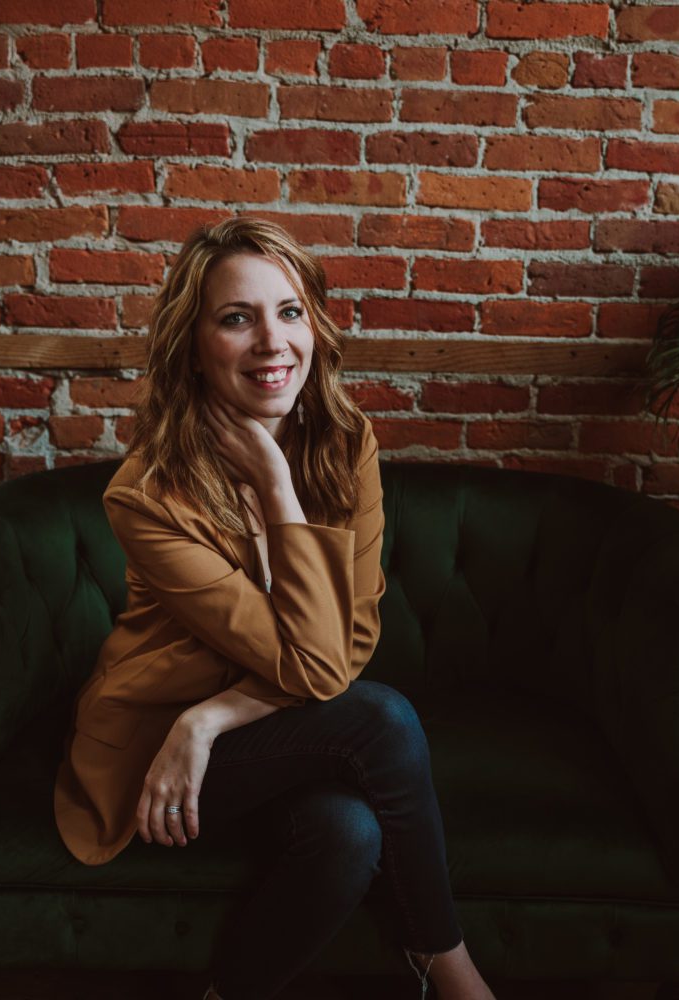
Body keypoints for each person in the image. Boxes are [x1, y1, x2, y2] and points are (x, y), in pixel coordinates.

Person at [53, 216, 496, 1000]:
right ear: (193, 346)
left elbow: (345, 646)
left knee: (347, 831)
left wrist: (212, 719)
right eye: (236, 318)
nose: (272, 341)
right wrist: (270, 482)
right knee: (383, 718)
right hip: (155, 759)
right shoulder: (148, 494)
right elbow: (325, 670)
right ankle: (453, 974)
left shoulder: (346, 443)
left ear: (315, 327)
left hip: (238, 740)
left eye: (289, 312)